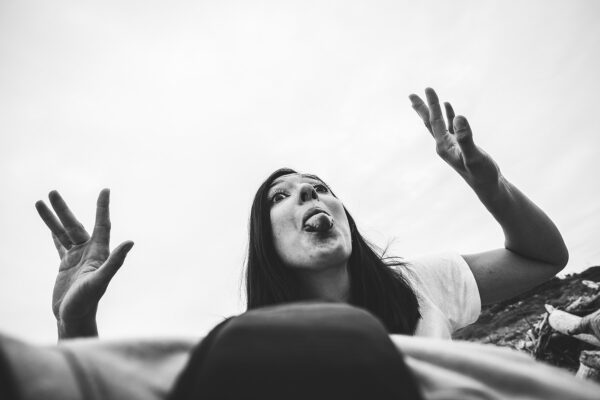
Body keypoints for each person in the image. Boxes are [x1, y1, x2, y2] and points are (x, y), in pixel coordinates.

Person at [35, 88, 569, 340]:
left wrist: (489, 184)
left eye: (318, 188)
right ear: (266, 241)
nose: (310, 196)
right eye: (280, 197)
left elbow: (543, 258)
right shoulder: (246, 343)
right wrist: (77, 322)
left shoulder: (416, 284)